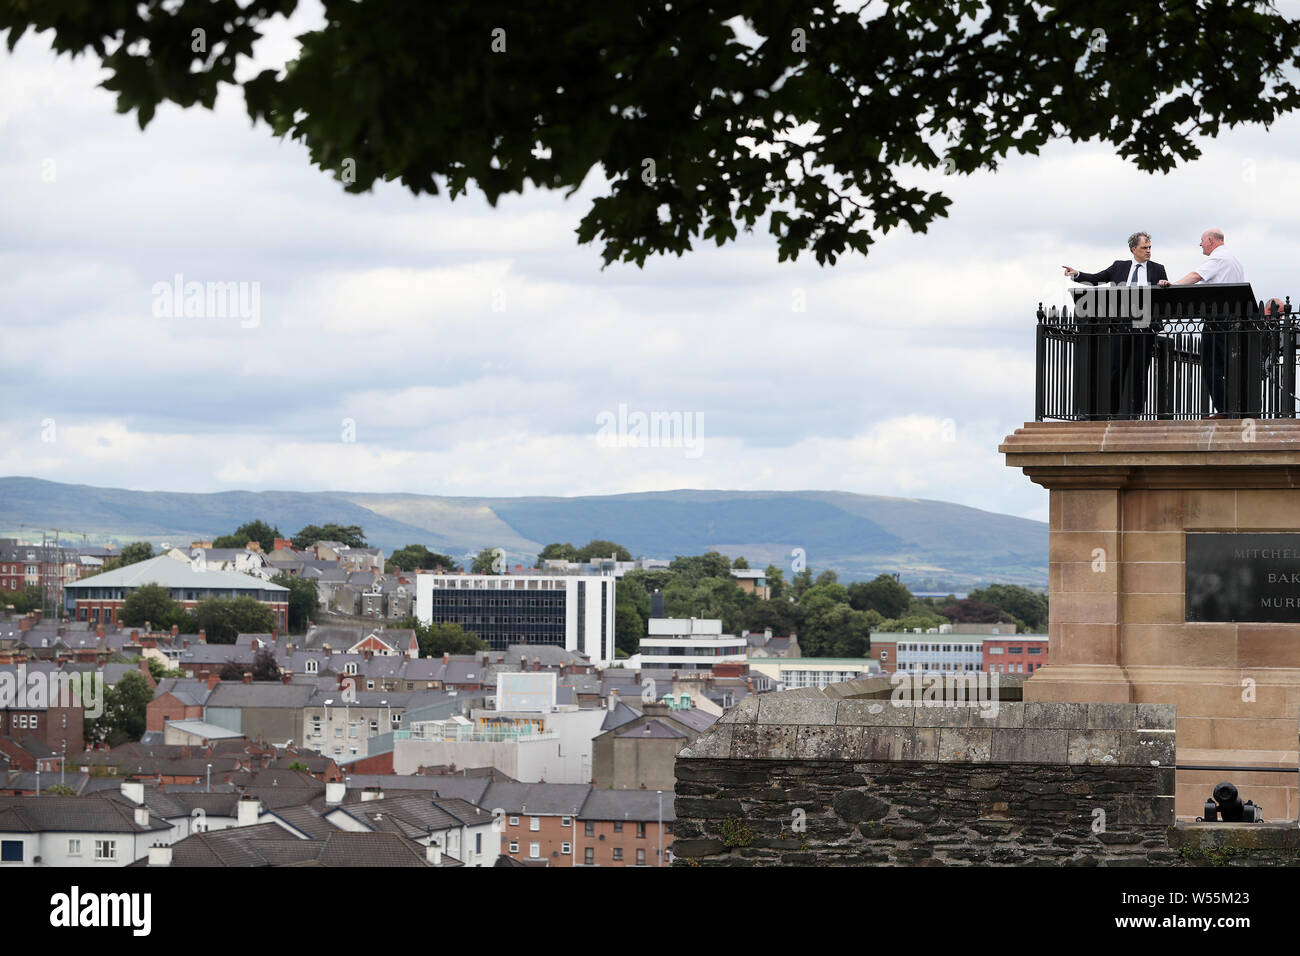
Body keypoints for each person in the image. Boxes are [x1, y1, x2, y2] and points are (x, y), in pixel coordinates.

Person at [1062, 232, 1167, 417]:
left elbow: (1163, 295)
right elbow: (1096, 278)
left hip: (1145, 327)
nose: (1148, 251)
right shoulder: (1119, 266)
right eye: (1144, 248)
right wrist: (1076, 274)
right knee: (1116, 369)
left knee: (1139, 372)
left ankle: (1135, 413)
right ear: (1134, 249)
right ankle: (1113, 411)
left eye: (1150, 247)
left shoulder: (1158, 269)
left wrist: (1164, 284)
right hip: (1121, 325)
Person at [1157, 229, 1248, 416]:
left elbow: (1196, 276)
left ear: (1211, 240)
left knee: (1210, 365)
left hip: (1218, 319)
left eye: (1202, 241)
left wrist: (1172, 287)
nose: (1200, 245)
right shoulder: (1234, 260)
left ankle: (1224, 409)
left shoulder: (1218, 259)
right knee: (1229, 365)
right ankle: (1236, 407)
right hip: (1233, 318)